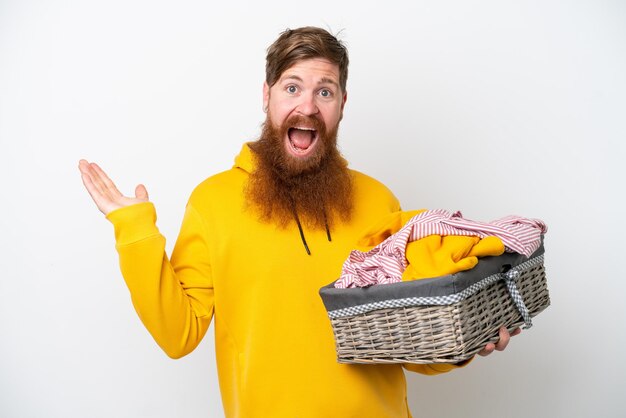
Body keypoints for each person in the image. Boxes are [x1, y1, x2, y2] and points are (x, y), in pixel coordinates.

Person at [79, 26, 519, 418]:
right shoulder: (213, 202)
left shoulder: (378, 200)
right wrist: (133, 229)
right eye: (292, 88)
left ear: (342, 105)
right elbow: (178, 334)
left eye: (324, 91)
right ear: (266, 95)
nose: (307, 106)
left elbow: (405, 341)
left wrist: (463, 346)